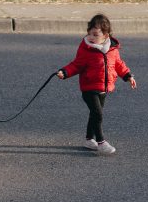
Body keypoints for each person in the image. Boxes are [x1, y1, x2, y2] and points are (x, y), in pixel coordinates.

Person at [56, 13, 137, 155]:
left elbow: (118, 65)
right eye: (90, 34)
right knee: (98, 114)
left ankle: (89, 139)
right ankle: (101, 142)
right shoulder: (86, 49)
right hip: (89, 87)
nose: (91, 38)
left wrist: (128, 76)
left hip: (104, 88)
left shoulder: (112, 49)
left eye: (95, 35)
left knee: (94, 115)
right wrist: (65, 72)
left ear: (106, 36)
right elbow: (76, 65)